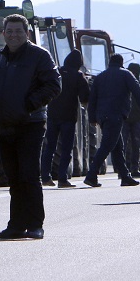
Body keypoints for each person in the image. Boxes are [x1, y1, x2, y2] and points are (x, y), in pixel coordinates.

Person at [0, 14, 61, 240]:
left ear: (27, 34)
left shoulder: (39, 56)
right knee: (13, 177)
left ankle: (35, 224)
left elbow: (54, 85)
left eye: (18, 31)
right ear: (3, 34)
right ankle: (16, 225)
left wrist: (28, 105)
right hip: (4, 124)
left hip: (30, 123)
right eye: (10, 31)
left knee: (29, 175)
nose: (14, 35)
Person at [84, 54, 140, 188]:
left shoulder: (100, 77)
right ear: (121, 63)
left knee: (117, 147)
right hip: (116, 115)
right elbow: (138, 92)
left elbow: (92, 98)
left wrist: (93, 118)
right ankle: (91, 174)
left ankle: (125, 176)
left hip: (102, 116)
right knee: (107, 146)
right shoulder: (126, 74)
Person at [40, 49, 90, 188]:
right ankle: (62, 179)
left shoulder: (57, 73)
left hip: (52, 115)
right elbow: (85, 98)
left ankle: (45, 177)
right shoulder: (78, 76)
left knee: (50, 147)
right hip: (68, 116)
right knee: (66, 148)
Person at [122, 62, 140, 179]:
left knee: (132, 144)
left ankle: (130, 168)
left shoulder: (139, 85)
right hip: (129, 119)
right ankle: (129, 168)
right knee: (133, 144)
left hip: (133, 119)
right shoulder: (136, 85)